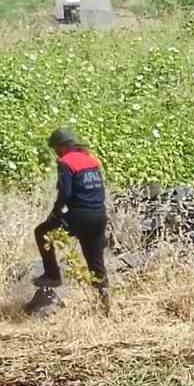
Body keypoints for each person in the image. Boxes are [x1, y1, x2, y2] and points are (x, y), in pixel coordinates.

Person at [33, 127, 111, 314]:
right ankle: (104, 306)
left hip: (79, 216)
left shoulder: (66, 162)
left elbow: (65, 193)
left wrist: (55, 214)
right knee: (95, 262)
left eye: (55, 148)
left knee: (42, 232)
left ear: (61, 146)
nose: (55, 153)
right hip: (99, 215)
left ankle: (53, 275)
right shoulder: (91, 160)